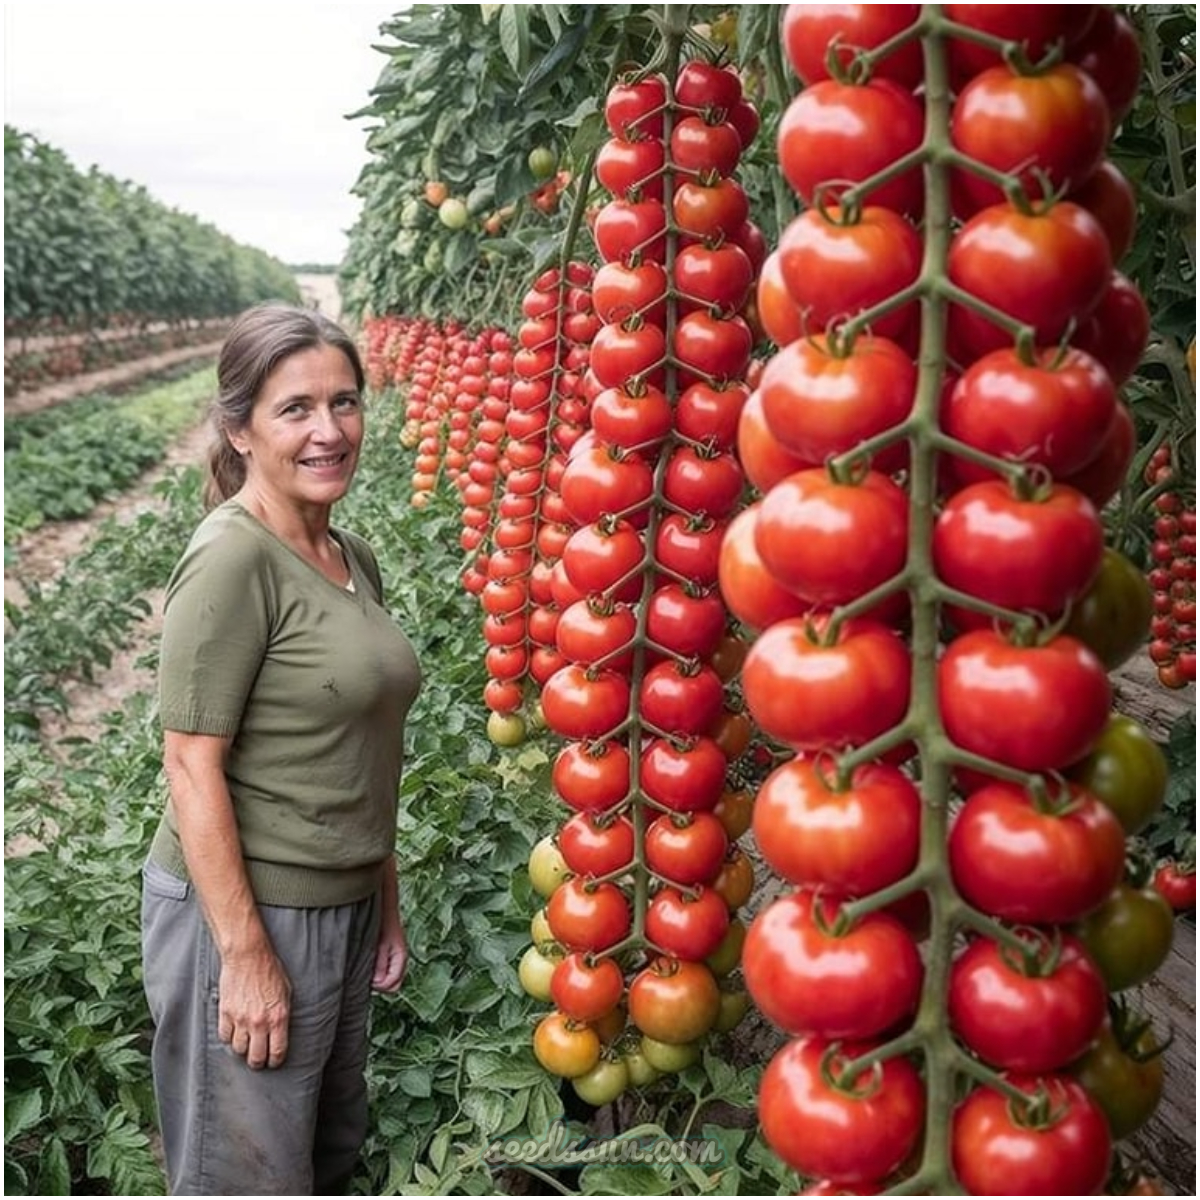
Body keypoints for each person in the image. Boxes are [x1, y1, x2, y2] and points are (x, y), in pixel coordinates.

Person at [140, 302, 422, 1196]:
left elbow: (361, 745)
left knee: (322, 1157)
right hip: (253, 912)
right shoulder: (233, 558)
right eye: (295, 408)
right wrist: (244, 955)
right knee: (246, 1177)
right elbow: (190, 764)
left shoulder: (351, 555)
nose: (328, 431)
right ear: (240, 429)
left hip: (339, 906)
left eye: (345, 402)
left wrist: (381, 894)